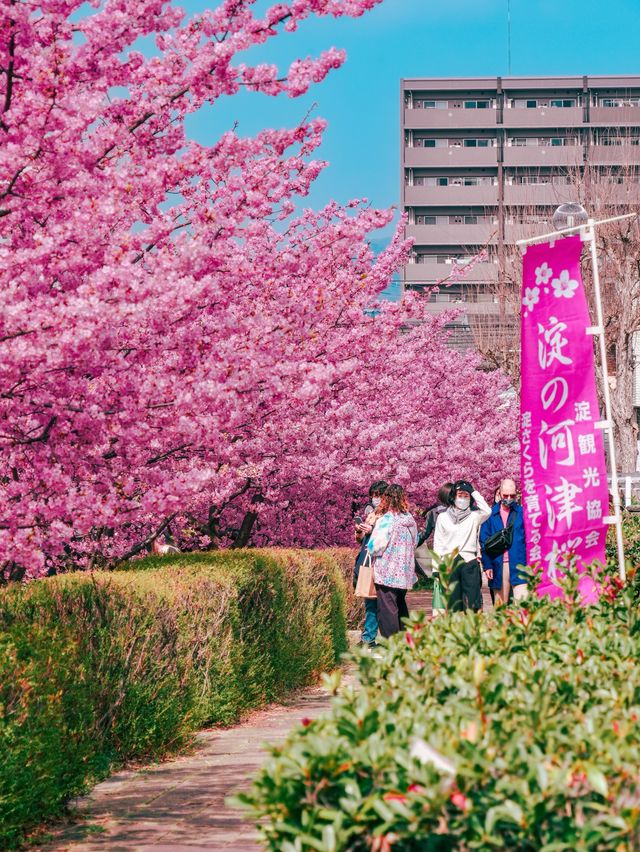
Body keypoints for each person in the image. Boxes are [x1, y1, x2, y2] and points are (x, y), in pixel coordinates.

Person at [367, 484, 418, 637]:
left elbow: (375, 546)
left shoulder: (386, 520)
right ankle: (405, 640)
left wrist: (369, 547)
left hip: (386, 571)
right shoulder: (410, 521)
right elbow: (415, 542)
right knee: (400, 605)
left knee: (387, 609)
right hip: (404, 572)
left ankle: (392, 644)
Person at [433, 479, 491, 612]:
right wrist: (436, 569)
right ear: (453, 497)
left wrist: (473, 492)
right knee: (453, 605)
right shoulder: (443, 517)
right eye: (460, 496)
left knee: (472, 604)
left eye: (466, 496)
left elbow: (487, 511)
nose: (463, 499)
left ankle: (472, 630)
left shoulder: (474, 516)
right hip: (449, 563)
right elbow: (438, 543)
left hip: (469, 562)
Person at [480, 477, 527, 604]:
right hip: (498, 563)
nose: (508, 498)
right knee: (500, 605)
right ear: (499, 494)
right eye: (505, 495)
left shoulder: (523, 513)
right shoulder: (490, 515)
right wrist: (487, 565)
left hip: (520, 562)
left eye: (512, 495)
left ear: (516, 494)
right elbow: (484, 542)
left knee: (523, 605)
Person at [354, 480, 388, 647]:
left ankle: (371, 638)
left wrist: (372, 530)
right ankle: (369, 637)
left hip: (381, 562)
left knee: (380, 602)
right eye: (373, 496)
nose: (375, 499)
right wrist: (360, 531)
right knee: (370, 600)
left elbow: (387, 537)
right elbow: (361, 540)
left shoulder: (389, 515)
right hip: (368, 560)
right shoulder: (372, 514)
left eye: (378, 495)